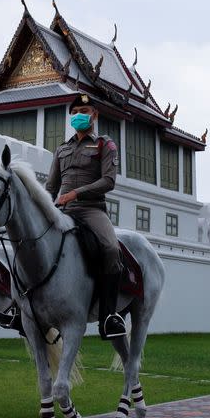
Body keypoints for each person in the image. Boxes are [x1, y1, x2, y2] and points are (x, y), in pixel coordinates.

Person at [45, 93, 126, 339]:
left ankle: (110, 315)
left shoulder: (104, 144)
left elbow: (108, 181)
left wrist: (76, 194)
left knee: (111, 248)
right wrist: (45, 207)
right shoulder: (62, 149)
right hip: (64, 211)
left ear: (95, 115)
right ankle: (23, 307)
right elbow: (51, 187)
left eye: (86, 110)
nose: (81, 115)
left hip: (91, 210)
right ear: (71, 116)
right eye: (76, 112)